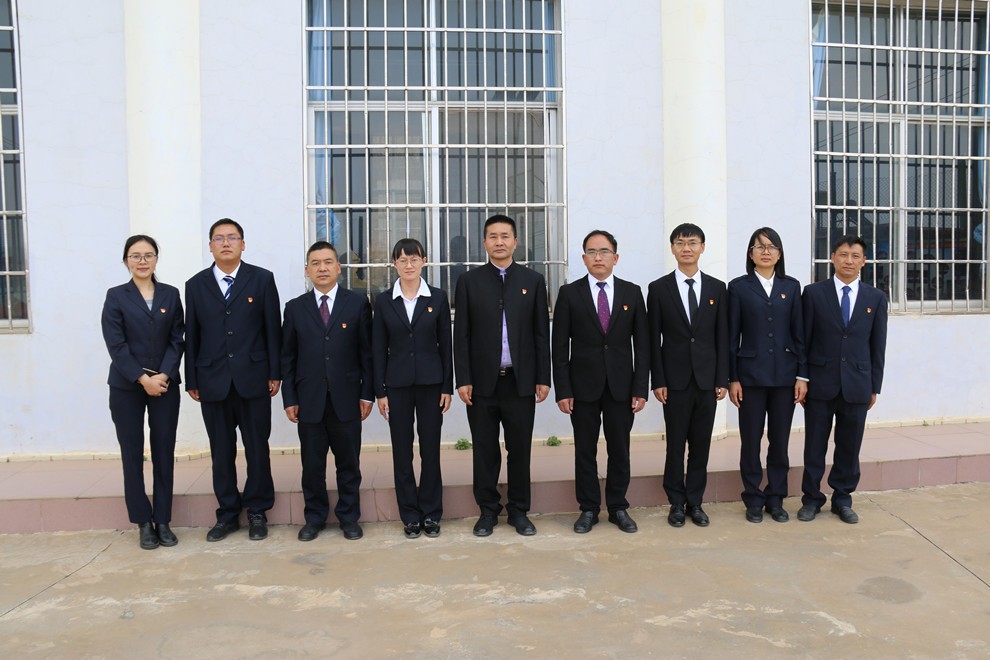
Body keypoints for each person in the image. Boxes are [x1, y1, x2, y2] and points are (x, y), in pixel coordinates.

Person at [454, 214, 551, 537]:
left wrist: (543, 377)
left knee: (519, 449)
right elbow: (461, 335)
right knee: (484, 450)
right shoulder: (469, 282)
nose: (499, 242)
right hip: (482, 383)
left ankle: (519, 511)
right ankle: (488, 511)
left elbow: (541, 334)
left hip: (520, 382)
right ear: (484, 242)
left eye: (505, 236)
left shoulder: (533, 281)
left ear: (515, 241)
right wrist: (463, 378)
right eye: (493, 236)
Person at [184, 218, 282, 542]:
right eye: (219, 238)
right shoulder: (195, 285)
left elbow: (272, 329)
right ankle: (227, 514)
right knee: (221, 451)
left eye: (232, 238)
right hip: (212, 380)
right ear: (210, 245)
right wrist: (192, 378)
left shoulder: (262, 279)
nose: (225, 243)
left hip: (254, 379)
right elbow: (192, 335)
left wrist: (275, 372)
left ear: (243, 244)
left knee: (257, 448)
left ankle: (257, 511)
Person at [553, 230, 649, 534]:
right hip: (582, 387)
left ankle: (618, 507)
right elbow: (559, 347)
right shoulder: (570, 294)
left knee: (620, 449)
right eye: (592, 252)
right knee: (585, 450)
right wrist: (563, 389)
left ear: (615, 258)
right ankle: (589, 508)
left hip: (621, 387)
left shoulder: (632, 293)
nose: (598, 257)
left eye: (604, 251)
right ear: (584, 258)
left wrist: (640, 388)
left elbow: (642, 345)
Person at [282, 241, 373, 541]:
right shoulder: (295, 308)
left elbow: (367, 354)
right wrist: (290, 398)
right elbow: (288, 358)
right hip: (309, 400)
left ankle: (349, 517)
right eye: (315, 263)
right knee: (312, 465)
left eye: (328, 262)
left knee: (349, 464)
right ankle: (315, 517)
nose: (322, 268)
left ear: (339, 267)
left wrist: (367, 394)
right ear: (307, 270)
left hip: (347, 399)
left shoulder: (357, 303)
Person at [101, 235, 184, 550]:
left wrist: (164, 374)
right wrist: (141, 378)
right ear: (126, 261)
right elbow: (116, 343)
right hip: (126, 386)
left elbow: (178, 338)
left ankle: (163, 520)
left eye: (148, 255)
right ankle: (143, 522)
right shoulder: (116, 296)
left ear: (156, 259)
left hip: (164, 384)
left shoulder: (170, 294)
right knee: (132, 453)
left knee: (164, 451)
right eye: (135, 256)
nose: (142, 261)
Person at [799, 234, 888, 524]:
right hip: (820, 383)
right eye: (843, 254)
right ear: (833, 258)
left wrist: (874, 386)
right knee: (815, 446)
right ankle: (811, 499)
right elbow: (803, 341)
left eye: (855, 256)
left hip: (857, 384)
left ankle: (842, 499)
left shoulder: (875, 298)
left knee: (849, 447)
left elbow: (878, 346)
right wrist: (803, 378)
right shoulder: (813, 293)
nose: (849, 260)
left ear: (864, 261)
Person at [647, 223, 728, 528]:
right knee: (675, 445)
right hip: (675, 381)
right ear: (672, 248)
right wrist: (659, 380)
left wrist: (722, 378)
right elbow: (652, 339)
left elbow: (722, 337)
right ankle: (676, 503)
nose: (686, 248)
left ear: (702, 247)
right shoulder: (659, 289)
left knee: (700, 444)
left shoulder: (717, 289)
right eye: (680, 243)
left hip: (707, 380)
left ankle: (695, 502)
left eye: (692, 242)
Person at [373, 238, 453, 539]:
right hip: (397, 386)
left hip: (432, 385)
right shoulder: (384, 301)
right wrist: (380, 392)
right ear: (394, 263)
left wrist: (447, 386)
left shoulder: (437, 297)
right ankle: (409, 515)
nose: (409, 265)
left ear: (424, 262)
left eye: (414, 259)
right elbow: (378, 348)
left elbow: (446, 345)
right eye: (403, 260)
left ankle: (431, 513)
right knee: (402, 451)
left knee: (430, 450)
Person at [727, 227, 807, 524]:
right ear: (750, 254)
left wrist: (802, 376)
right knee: (750, 441)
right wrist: (732, 378)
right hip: (750, 377)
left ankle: (776, 497)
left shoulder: (792, 287)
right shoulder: (738, 287)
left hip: (785, 377)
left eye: (771, 246)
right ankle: (752, 497)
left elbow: (800, 335)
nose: (765, 251)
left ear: (779, 253)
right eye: (759, 247)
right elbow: (731, 337)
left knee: (779, 441)